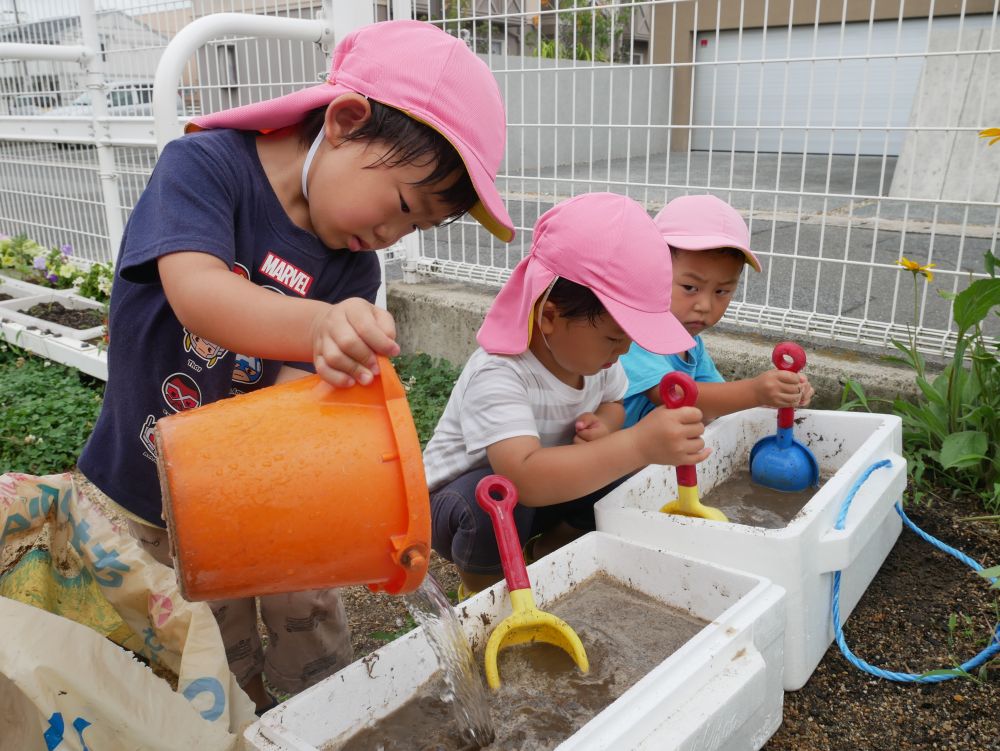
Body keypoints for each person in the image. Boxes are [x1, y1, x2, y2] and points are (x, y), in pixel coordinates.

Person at [77, 19, 513, 714]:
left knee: (314, 634)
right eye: (402, 205)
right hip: (145, 490)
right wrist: (318, 327)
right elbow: (198, 293)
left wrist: (328, 386)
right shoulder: (205, 168)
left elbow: (293, 402)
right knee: (201, 664)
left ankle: (326, 715)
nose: (394, 236)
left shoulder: (352, 264)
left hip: (257, 494)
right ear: (344, 120)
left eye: (417, 228)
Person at [423, 192, 711, 597]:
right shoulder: (500, 371)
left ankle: (547, 556)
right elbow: (523, 475)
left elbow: (613, 402)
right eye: (614, 336)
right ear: (550, 316)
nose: (623, 351)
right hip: (464, 501)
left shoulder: (597, 362)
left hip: (538, 494)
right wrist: (638, 443)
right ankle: (486, 594)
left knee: (616, 474)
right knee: (491, 500)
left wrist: (608, 424)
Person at [620, 194, 814, 428]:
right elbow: (673, 393)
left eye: (722, 291)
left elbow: (719, 401)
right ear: (652, 270)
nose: (705, 306)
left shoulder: (691, 345)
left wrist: (777, 395)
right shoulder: (632, 336)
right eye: (690, 288)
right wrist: (755, 392)